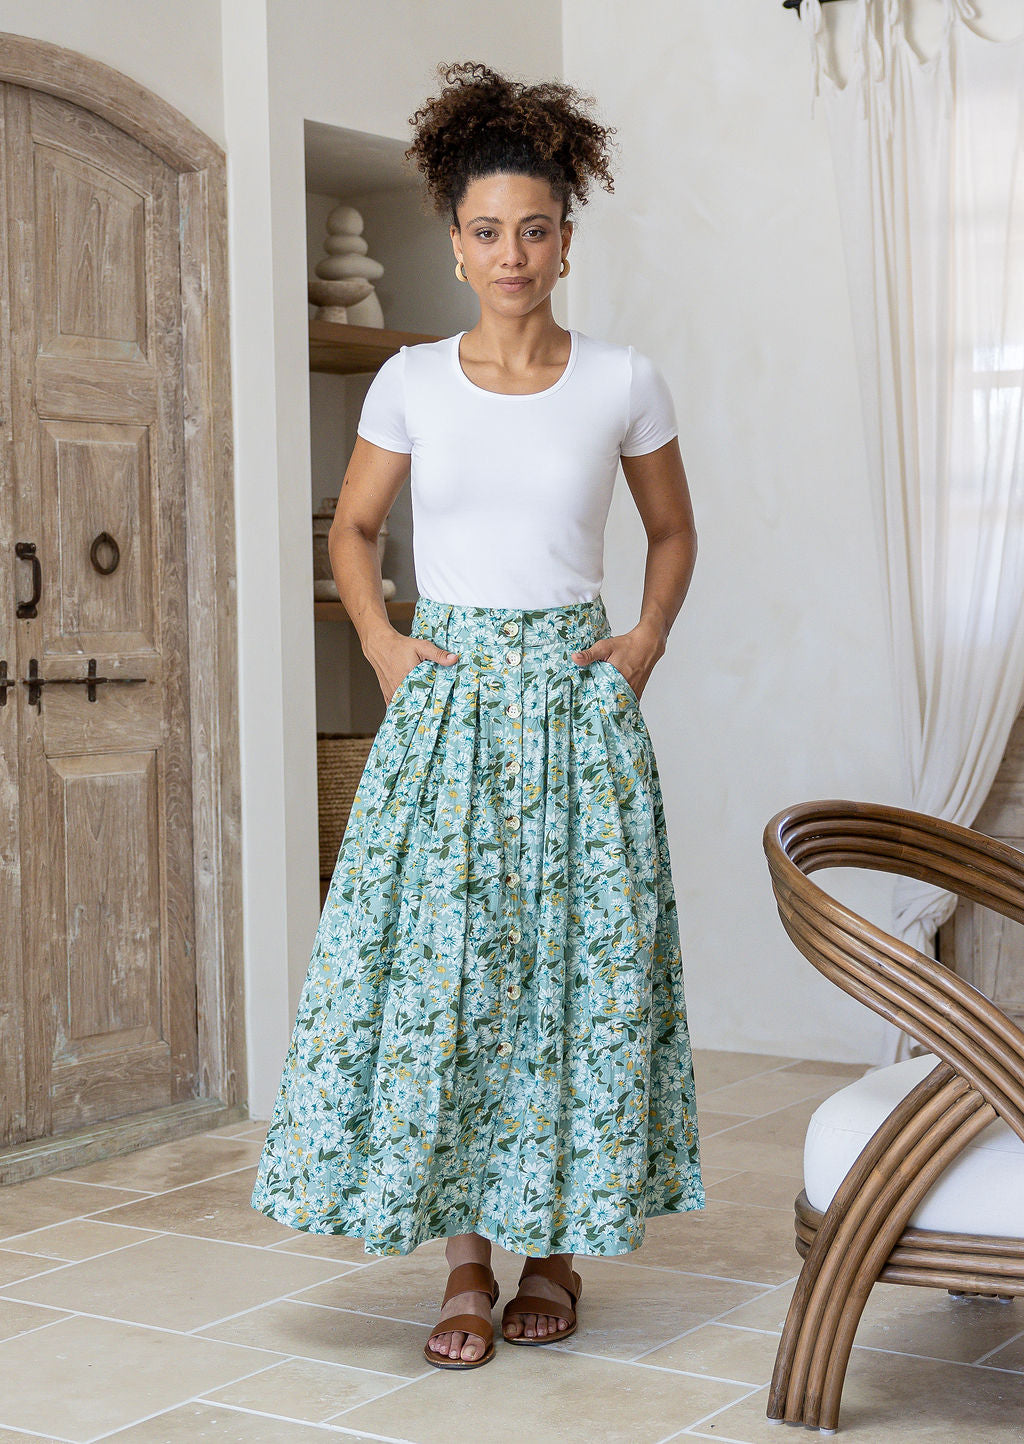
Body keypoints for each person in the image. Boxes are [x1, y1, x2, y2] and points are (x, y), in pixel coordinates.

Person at [251, 58, 704, 1372]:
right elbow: (352, 528)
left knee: (570, 985)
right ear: (454, 242)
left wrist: (644, 646)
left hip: (578, 712)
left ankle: (553, 1252)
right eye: (488, 230)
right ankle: (463, 1264)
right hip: (448, 718)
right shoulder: (410, 381)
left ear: (566, 238)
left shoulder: (624, 378)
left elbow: (672, 532)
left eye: (537, 228)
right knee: (450, 986)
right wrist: (387, 648)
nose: (514, 252)